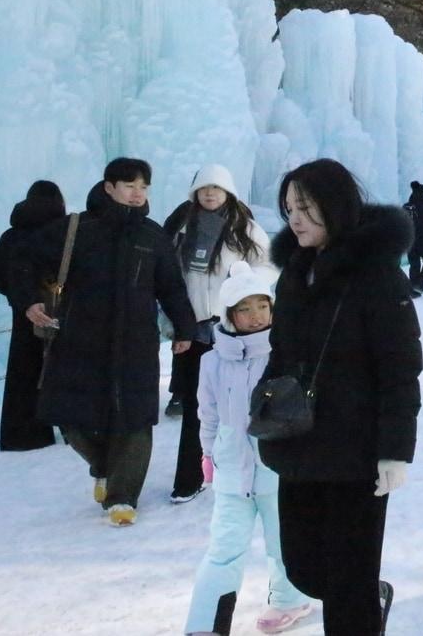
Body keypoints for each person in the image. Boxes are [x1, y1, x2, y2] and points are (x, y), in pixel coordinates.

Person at [260, 159, 423, 635]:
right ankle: (366, 597)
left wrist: (394, 451)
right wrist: (264, 406)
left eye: (306, 207)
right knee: (304, 568)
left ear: (334, 206)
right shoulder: (293, 272)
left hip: (356, 448)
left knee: (349, 581)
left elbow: (400, 366)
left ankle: (361, 609)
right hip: (299, 438)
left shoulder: (376, 275)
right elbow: (280, 351)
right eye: (289, 208)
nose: (295, 218)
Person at [13, 157, 198, 526]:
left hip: (136, 344)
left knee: (136, 418)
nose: (137, 194)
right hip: (80, 340)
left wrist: (185, 328)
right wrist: (28, 299)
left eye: (143, 187)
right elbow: (22, 259)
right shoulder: (76, 229)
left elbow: (171, 287)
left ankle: (122, 497)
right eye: (129, 185)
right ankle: (102, 463)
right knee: (70, 418)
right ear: (109, 187)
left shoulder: (152, 235)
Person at [185, 262, 311, 636]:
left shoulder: (284, 353)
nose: (255, 316)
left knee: (282, 542)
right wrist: (208, 454)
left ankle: (289, 600)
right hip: (231, 467)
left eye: (262, 306)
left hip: (277, 463)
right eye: (244, 309)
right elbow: (206, 412)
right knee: (223, 549)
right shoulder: (211, 362)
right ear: (228, 315)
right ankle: (205, 625)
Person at [164, 163, 274, 504]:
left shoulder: (246, 228)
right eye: (204, 188)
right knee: (197, 405)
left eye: (217, 188)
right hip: (192, 327)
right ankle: (190, 477)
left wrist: (241, 291)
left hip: (232, 330)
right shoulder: (181, 227)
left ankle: (254, 472)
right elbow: (167, 274)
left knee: (242, 404)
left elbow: (268, 266)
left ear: (229, 193)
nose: (210, 194)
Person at [0, 179, 65, 452]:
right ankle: (68, 427)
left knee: (23, 371)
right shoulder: (62, 232)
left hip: (24, 314)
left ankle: (22, 436)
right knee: (62, 365)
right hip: (61, 310)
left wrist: (18, 298)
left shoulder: (13, 234)